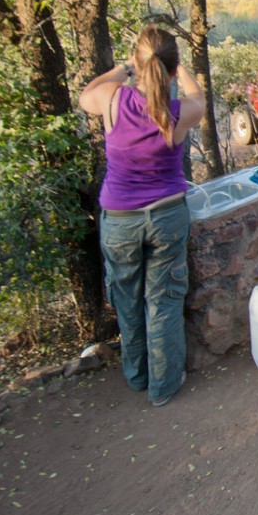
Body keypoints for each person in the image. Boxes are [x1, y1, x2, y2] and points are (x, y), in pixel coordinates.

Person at [79, 25, 205, 407]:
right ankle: (163, 386)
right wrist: (178, 69)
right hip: (166, 217)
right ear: (171, 68)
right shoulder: (178, 111)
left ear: (138, 61)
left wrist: (122, 69)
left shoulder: (113, 100)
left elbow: (85, 94)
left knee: (127, 300)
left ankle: (137, 376)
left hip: (119, 219)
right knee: (164, 301)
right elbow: (199, 96)